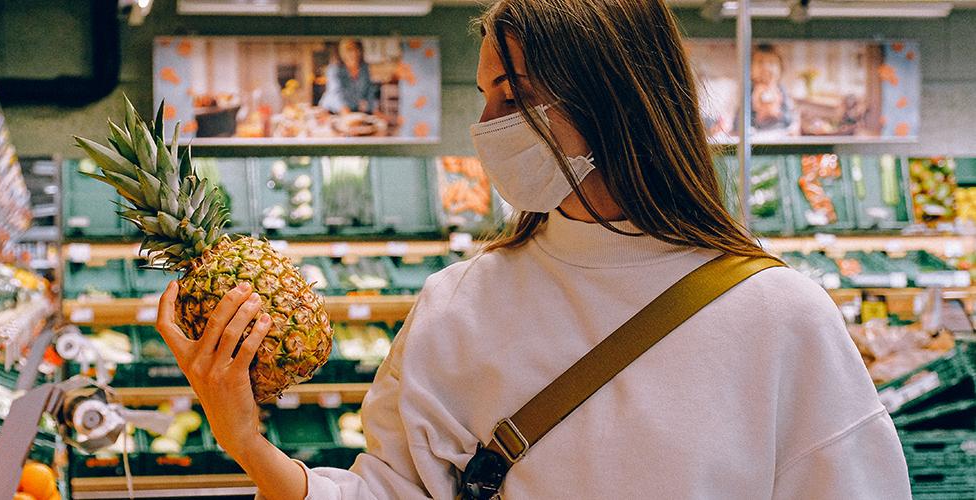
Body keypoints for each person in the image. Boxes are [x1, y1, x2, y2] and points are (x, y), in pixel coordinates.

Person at [150, 0, 910, 498]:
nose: (486, 126)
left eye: (514, 97)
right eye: (484, 97)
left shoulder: (779, 318)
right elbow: (393, 491)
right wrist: (247, 443)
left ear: (616, 98)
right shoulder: (460, 303)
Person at [318, 39, 381, 116]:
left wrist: (374, 109)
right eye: (349, 50)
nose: (354, 53)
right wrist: (345, 112)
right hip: (332, 111)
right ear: (342, 53)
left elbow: (369, 91)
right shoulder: (334, 69)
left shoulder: (364, 68)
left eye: (357, 49)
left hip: (354, 111)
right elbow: (336, 92)